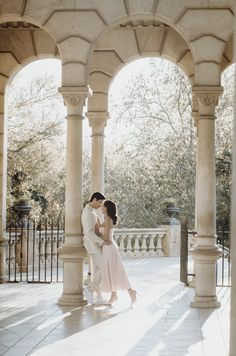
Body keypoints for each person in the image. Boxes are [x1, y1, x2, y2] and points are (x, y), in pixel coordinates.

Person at [99, 200, 137, 306]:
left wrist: (97, 233)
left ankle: (131, 292)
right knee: (110, 272)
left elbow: (107, 239)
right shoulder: (105, 219)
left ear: (106, 208)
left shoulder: (107, 220)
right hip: (107, 249)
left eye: (102, 206)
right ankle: (114, 295)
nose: (101, 207)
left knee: (117, 271)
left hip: (109, 248)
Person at [81, 192, 110, 304]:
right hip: (92, 244)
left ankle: (93, 289)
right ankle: (89, 289)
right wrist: (102, 242)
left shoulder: (92, 211)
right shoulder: (87, 212)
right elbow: (88, 232)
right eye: (99, 202)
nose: (100, 205)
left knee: (98, 269)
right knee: (103, 267)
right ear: (94, 199)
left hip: (95, 243)